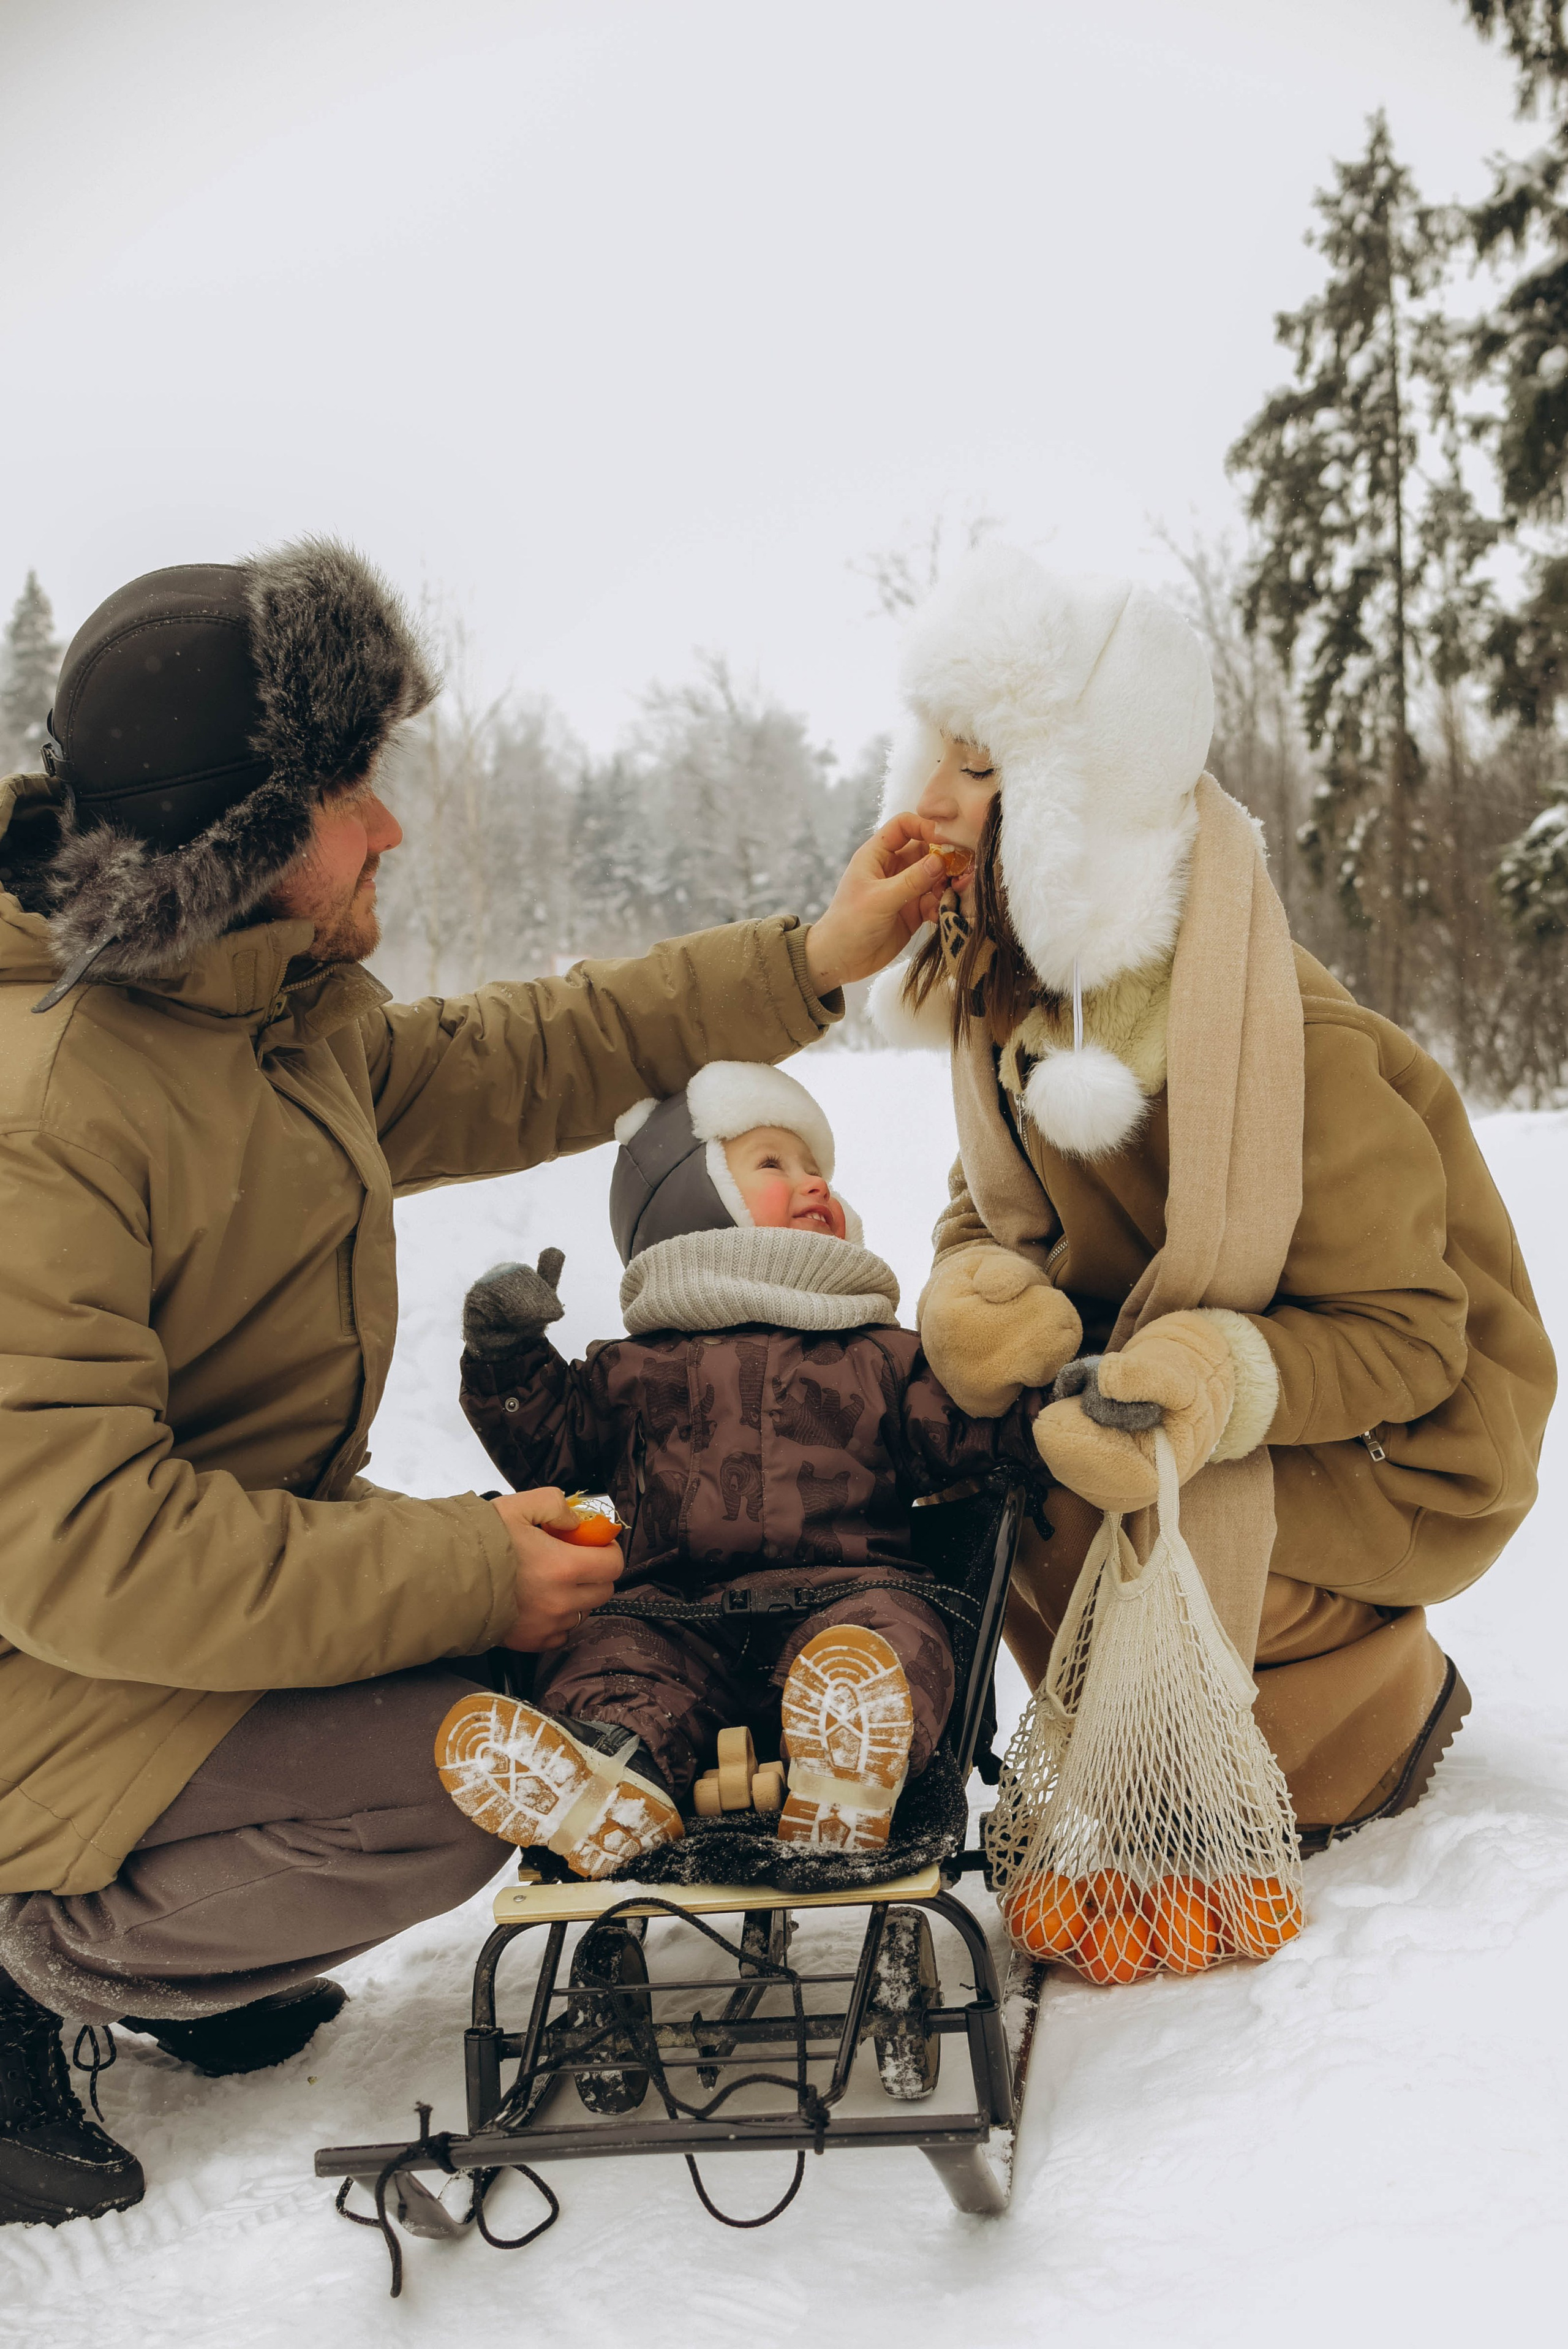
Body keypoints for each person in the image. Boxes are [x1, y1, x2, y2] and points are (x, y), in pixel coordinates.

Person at [0, 542, 951, 2227]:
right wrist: (461, 1561)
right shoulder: (49, 1111)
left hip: (137, 1632)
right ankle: (50, 1942)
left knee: (552, 1645)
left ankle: (185, 1930)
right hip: (41, 1665)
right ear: (249, 836)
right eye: (353, 789)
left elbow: (527, 1054)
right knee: (470, 1770)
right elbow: (80, 1546)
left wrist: (817, 956)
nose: (392, 826)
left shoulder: (257, 1019)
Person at [870, 543, 1555, 1855]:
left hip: (1407, 1449)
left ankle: (1361, 1699)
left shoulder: (1288, 1044)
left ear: (1075, 805)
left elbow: (1414, 1340)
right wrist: (976, 1289)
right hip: (1162, 1399)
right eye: (934, 761)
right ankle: (1171, 1722)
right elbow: (985, 1210)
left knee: (1096, 1508)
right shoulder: (1020, 1008)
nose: (935, 808)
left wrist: (1206, 1381)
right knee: (979, 1477)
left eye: (979, 771)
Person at [437, 1059, 1052, 1878]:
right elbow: (550, 1448)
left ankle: (849, 1760)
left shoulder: (881, 1352)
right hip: (670, 1616)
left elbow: (965, 1429)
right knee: (610, 1663)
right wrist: (508, 1357)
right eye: (773, 1163)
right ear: (693, 1197)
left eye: (817, 1168)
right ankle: (612, 1777)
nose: (812, 1182)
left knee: (895, 1638)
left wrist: (1043, 1399)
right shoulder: (632, 1366)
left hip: (847, 1596)